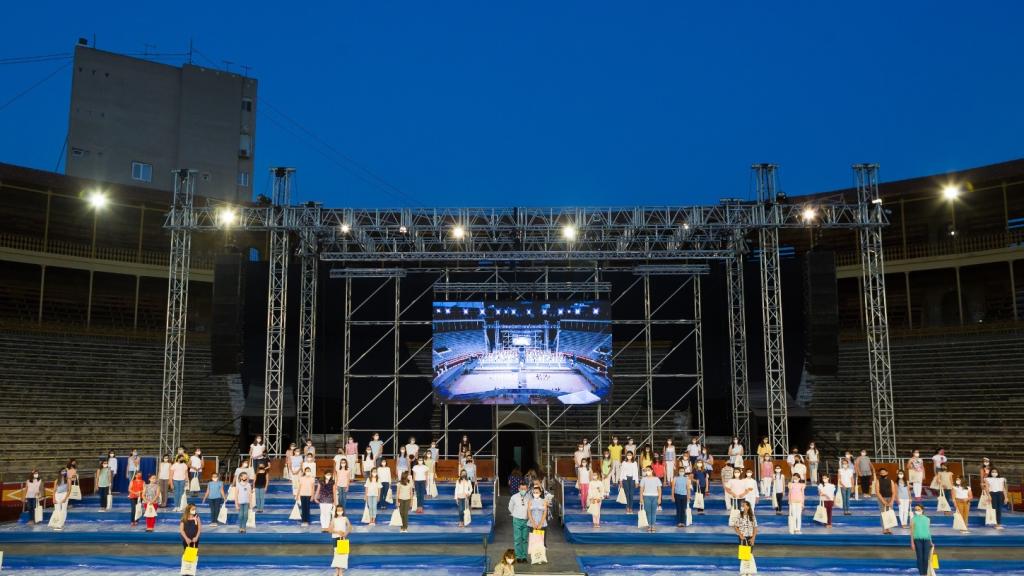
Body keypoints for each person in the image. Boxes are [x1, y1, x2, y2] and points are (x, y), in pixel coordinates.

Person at [733, 500, 758, 576]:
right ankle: (744, 572)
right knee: (744, 555)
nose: (743, 506)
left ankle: (749, 571)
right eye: (743, 505)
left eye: (745, 505)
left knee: (749, 554)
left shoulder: (752, 516)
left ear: (748, 506)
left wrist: (753, 538)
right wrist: (740, 535)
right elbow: (736, 527)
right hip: (742, 538)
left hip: (750, 537)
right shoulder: (739, 515)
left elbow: (755, 528)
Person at [508, 481, 530, 562]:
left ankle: (524, 556)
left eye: (524, 489)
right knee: (517, 539)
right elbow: (510, 507)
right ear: (518, 489)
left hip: (526, 520)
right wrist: (515, 514)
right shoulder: (514, 497)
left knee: (525, 539)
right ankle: (518, 556)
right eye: (521, 489)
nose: (523, 490)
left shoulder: (529, 497)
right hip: (517, 520)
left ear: (527, 489)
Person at [909, 505, 934, 576]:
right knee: (920, 557)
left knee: (926, 557)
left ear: (922, 510)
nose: (917, 511)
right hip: (917, 540)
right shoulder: (913, 519)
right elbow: (912, 532)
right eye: (915, 509)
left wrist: (931, 542)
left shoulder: (927, 519)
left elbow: (928, 531)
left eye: (918, 509)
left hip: (926, 540)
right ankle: (921, 574)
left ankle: (925, 573)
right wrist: (912, 543)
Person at [639, 466, 662, 532]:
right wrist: (641, 498)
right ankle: (649, 525)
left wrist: (659, 498)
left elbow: (659, 489)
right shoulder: (643, 479)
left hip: (655, 497)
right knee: (648, 512)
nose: (647, 471)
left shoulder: (656, 479)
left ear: (652, 470)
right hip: (646, 497)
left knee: (653, 512)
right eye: (646, 470)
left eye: (649, 470)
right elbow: (641, 489)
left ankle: (653, 525)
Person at [330, 504, 351, 576]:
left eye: (341, 510)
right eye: (338, 510)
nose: (340, 511)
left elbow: (349, 526)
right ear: (336, 511)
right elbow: (330, 529)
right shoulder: (333, 519)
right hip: (335, 537)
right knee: (336, 554)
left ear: (343, 511)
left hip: (343, 538)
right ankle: (337, 571)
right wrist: (337, 532)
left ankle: (341, 571)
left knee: (342, 555)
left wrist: (346, 533)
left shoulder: (345, 518)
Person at [874, 468, 896, 535]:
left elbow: (894, 492)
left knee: (889, 514)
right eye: (881, 473)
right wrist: (883, 501)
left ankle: (889, 528)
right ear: (880, 474)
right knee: (883, 514)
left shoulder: (891, 481)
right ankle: (884, 529)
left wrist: (892, 501)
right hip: (881, 499)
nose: (883, 474)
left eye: (884, 472)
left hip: (890, 498)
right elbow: (877, 492)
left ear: (887, 473)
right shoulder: (878, 481)